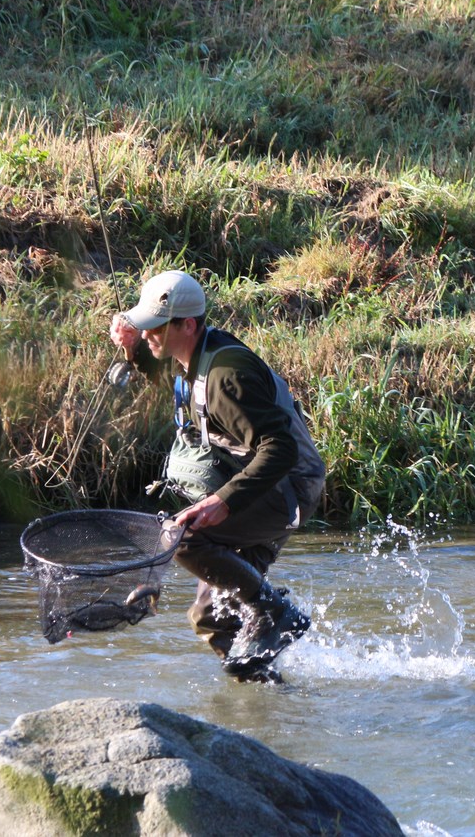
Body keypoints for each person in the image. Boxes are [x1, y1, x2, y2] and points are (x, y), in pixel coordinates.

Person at [109, 270, 326, 682]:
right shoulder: (197, 353)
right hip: (266, 487)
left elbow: (281, 450)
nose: (148, 332)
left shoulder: (226, 377)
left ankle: (275, 612)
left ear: (186, 325)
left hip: (288, 490)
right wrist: (136, 349)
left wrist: (222, 501)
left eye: (155, 326)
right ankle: (263, 695)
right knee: (210, 615)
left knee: (182, 536)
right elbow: (169, 373)